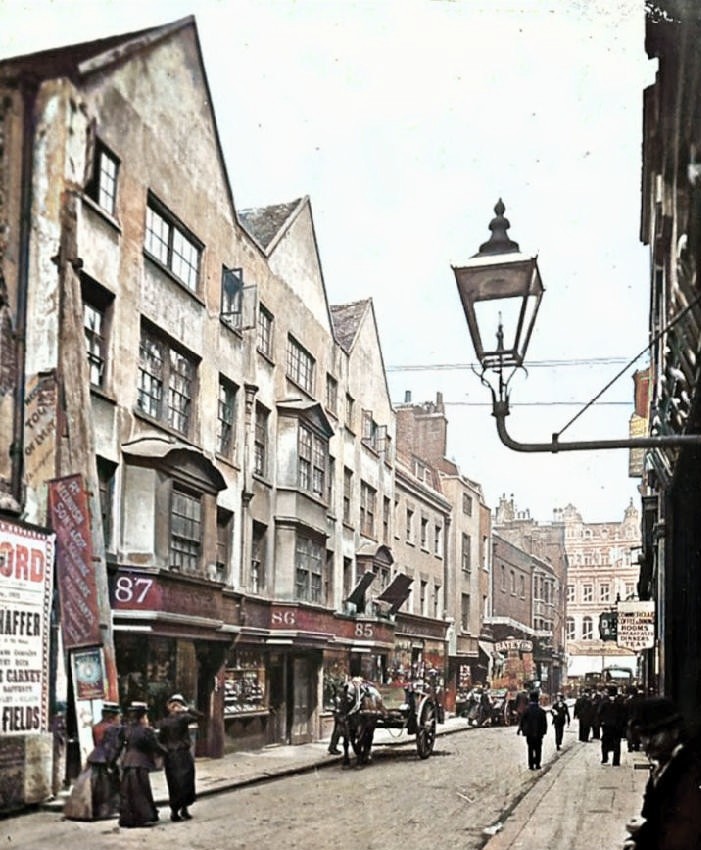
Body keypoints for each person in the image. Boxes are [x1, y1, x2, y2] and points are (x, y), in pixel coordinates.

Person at [624, 696, 701, 849]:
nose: (647, 742)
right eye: (643, 735)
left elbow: (683, 835)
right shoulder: (662, 766)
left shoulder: (690, 771)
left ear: (675, 731)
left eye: (654, 734)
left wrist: (642, 832)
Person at [64, 701, 124, 821]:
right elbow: (111, 747)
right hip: (105, 759)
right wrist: (111, 763)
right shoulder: (114, 729)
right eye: (118, 715)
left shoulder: (96, 727)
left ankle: (93, 810)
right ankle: (107, 811)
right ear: (112, 716)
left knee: (94, 787)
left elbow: (97, 743)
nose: (119, 718)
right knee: (108, 787)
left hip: (94, 758)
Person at [119, 701, 167, 829]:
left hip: (127, 763)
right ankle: (143, 816)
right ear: (142, 717)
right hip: (140, 764)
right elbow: (155, 746)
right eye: (145, 716)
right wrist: (167, 752)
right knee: (141, 791)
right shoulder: (146, 731)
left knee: (128, 792)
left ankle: (129, 817)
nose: (147, 719)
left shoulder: (126, 730)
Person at [157, 693, 203, 822]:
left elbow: (200, 717)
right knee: (178, 782)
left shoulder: (180, 719)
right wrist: (186, 709)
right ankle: (177, 810)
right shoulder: (174, 720)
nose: (175, 707)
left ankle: (182, 809)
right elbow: (200, 716)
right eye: (174, 705)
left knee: (181, 782)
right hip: (176, 755)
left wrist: (185, 710)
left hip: (178, 755)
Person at [517, 690, 548, 770]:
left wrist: (521, 730)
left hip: (529, 733)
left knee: (530, 748)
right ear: (537, 699)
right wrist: (544, 732)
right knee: (538, 749)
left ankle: (531, 765)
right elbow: (544, 723)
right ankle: (537, 764)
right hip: (538, 733)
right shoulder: (541, 711)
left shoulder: (526, 710)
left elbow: (522, 721)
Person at [598, 685, 626, 766]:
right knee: (617, 743)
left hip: (606, 726)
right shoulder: (620, 702)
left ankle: (605, 758)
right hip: (617, 727)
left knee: (605, 743)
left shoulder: (604, 701)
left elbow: (599, 713)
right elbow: (623, 715)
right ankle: (616, 761)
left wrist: (601, 723)